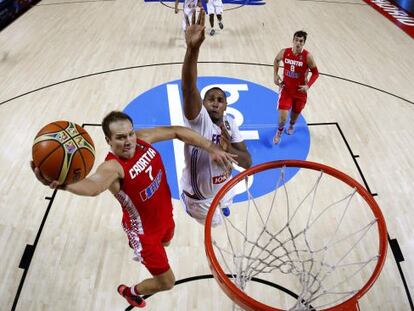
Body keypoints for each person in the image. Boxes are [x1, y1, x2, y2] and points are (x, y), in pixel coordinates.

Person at [31, 111, 236, 308]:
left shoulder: (141, 139)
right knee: (167, 282)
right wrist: (63, 185)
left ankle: (155, 252)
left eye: (130, 133)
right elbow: (94, 186)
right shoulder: (112, 168)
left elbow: (176, 131)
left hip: (165, 215)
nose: (129, 140)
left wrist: (211, 147)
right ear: (108, 141)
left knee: (167, 240)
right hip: (144, 233)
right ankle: (131, 292)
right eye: (120, 137)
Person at [180, 10, 252, 227]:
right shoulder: (198, 119)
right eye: (210, 99)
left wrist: (228, 147)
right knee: (217, 225)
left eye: (220, 99)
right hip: (198, 198)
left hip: (223, 187)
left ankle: (223, 200)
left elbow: (247, 162)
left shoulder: (230, 121)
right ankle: (187, 203)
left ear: (225, 105)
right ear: (202, 104)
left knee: (225, 199)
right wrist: (192, 50)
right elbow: (189, 87)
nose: (215, 102)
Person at [272, 30, 319, 144]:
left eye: (301, 41)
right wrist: (275, 74)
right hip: (286, 89)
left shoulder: (307, 57)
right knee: (283, 117)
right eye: (296, 40)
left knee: (294, 116)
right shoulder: (284, 52)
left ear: (304, 43)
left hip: (300, 92)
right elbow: (276, 60)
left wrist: (308, 86)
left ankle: (292, 125)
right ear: (293, 40)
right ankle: (279, 132)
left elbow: (316, 73)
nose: (298, 43)